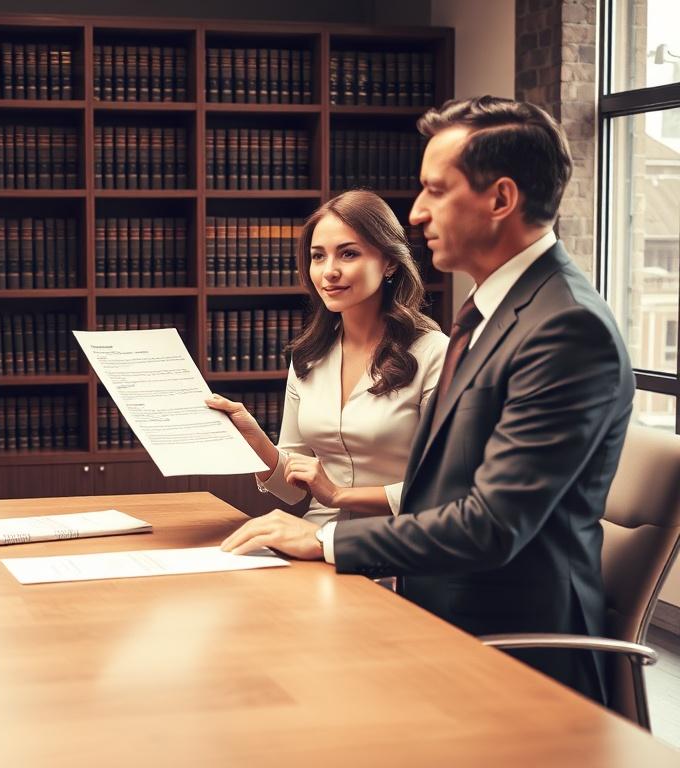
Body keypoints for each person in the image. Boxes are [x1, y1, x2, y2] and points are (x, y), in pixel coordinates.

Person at [220, 96, 635, 705]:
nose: (416, 214)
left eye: (436, 191)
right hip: (432, 605)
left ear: (500, 200)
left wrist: (329, 538)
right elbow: (439, 485)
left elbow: (491, 524)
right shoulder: (490, 313)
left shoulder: (566, 327)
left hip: (507, 647)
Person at [206, 189, 449, 526]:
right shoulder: (308, 356)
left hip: (399, 544)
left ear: (390, 262)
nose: (328, 271)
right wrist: (255, 440)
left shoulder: (434, 353)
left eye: (348, 254)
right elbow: (293, 490)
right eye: (318, 256)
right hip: (316, 538)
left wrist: (337, 494)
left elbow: (445, 487)